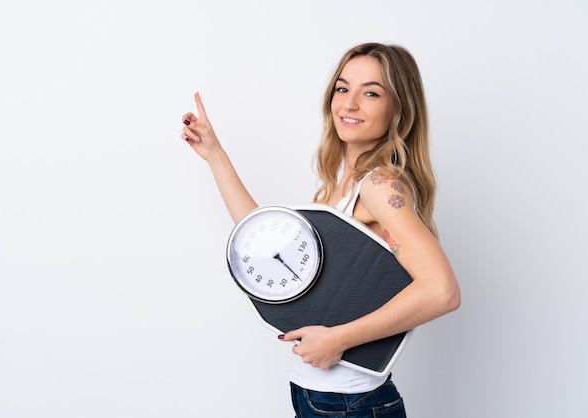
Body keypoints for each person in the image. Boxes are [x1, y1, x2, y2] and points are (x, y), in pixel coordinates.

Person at [180, 42, 461, 418]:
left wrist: (338, 339)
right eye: (343, 89)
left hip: (350, 403)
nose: (349, 104)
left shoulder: (379, 186)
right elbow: (261, 238)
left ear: (398, 110)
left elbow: (442, 291)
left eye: (372, 93)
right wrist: (215, 154)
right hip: (319, 397)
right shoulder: (341, 187)